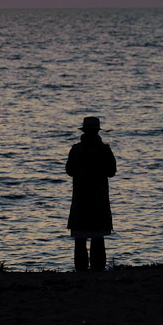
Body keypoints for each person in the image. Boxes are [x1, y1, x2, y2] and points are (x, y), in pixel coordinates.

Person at [65, 116, 116, 272]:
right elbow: (112, 172)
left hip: (80, 198)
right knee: (98, 237)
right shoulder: (104, 149)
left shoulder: (76, 149)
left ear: (84, 131)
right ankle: (98, 269)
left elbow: (69, 171)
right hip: (98, 198)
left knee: (79, 238)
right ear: (97, 131)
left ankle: (80, 270)